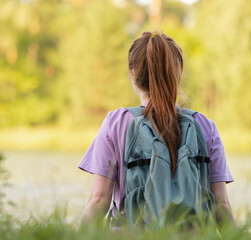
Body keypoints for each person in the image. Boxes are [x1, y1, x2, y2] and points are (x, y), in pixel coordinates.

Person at [78, 31, 236, 227]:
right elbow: (221, 206)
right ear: (177, 74)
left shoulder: (116, 122)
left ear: (133, 75)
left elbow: (98, 201)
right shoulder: (205, 126)